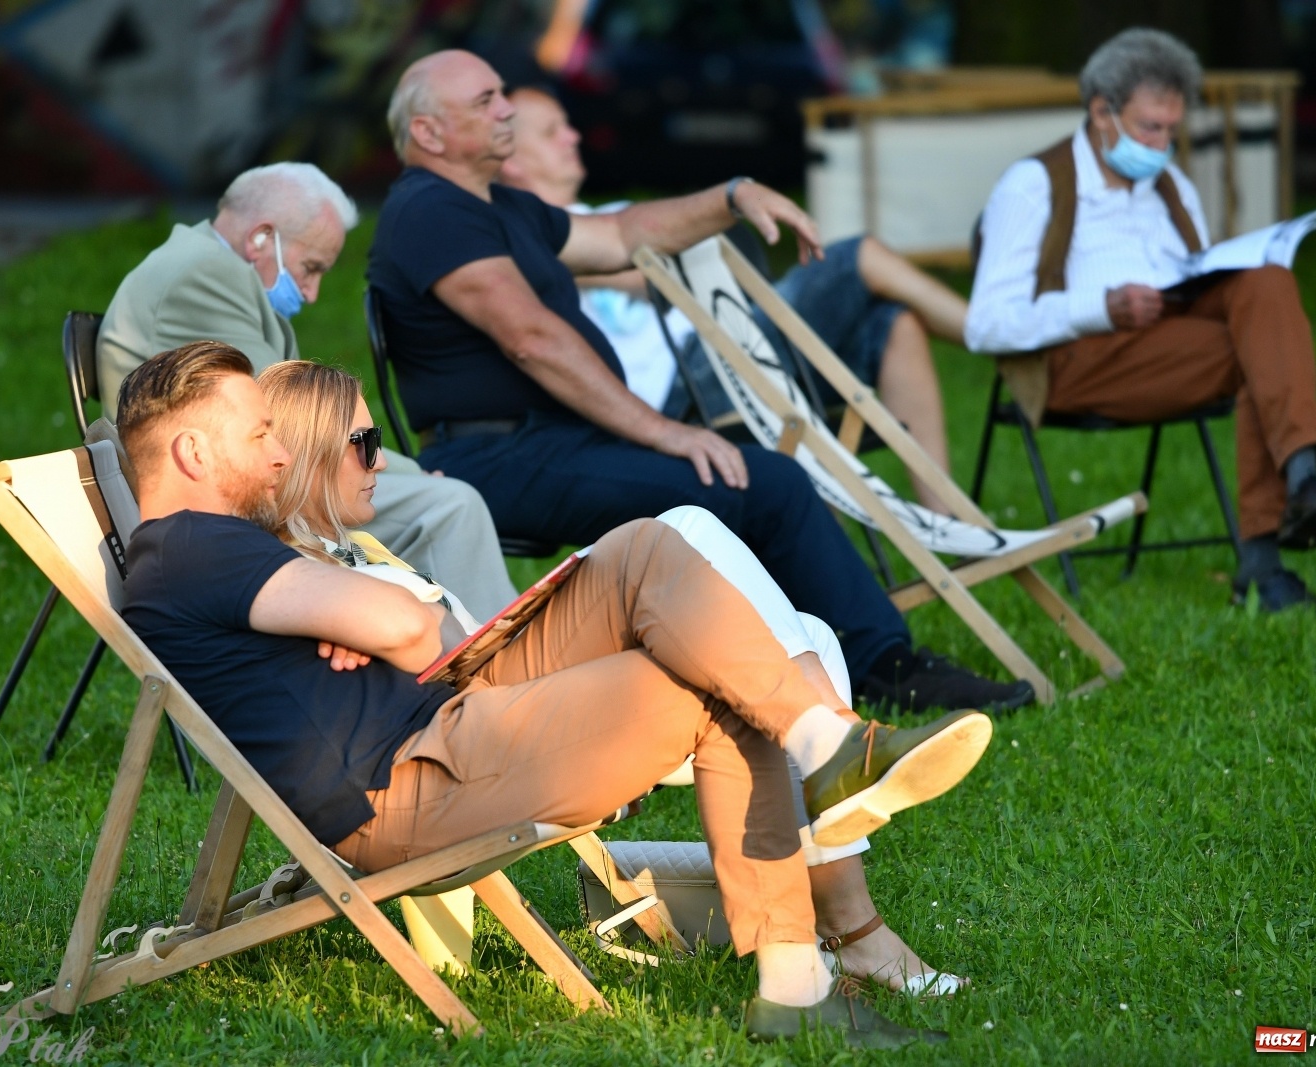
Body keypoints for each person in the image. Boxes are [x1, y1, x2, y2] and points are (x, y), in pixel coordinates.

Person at [115, 340, 996, 1045]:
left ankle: (823, 742)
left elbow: (397, 628)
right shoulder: (191, 546)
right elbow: (405, 628)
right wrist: (368, 616)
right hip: (409, 780)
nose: (278, 450)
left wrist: (357, 612)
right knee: (712, 681)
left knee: (645, 548)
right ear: (193, 450)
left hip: (448, 716)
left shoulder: (215, 546)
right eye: (258, 435)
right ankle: (797, 979)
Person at [366, 49, 1034, 713]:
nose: (506, 109)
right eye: (485, 101)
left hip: (554, 442)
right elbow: (531, 339)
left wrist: (731, 197)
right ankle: (878, 669)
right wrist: (666, 432)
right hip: (498, 457)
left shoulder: (500, 207)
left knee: (760, 482)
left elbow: (621, 233)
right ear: (429, 132)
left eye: (502, 94)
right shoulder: (430, 209)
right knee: (764, 485)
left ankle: (815, 667)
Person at [965, 28, 1316, 612]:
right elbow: (985, 324)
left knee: (1267, 281)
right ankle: (1267, 553)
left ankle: (1301, 480)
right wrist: (1102, 306)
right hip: (1080, 361)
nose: (1162, 144)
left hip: (1171, 342)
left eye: (1172, 130)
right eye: (1150, 127)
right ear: (1102, 112)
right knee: (1262, 354)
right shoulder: (1034, 184)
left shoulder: (1170, 185)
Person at [499, 84, 967, 512]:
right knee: (854, 258)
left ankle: (950, 522)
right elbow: (643, 272)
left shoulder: (618, 217)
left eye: (568, 125)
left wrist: (591, 266)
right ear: (511, 159)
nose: (573, 137)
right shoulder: (512, 241)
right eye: (552, 132)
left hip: (726, 359)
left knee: (892, 324)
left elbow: (658, 269)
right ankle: (990, 334)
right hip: (678, 396)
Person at [96, 161, 519, 616]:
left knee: (442, 500)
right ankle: (497, 644)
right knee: (449, 504)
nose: (312, 293)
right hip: (232, 493)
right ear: (261, 238)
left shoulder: (203, 264)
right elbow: (286, 419)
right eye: (310, 268)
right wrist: (414, 473)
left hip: (245, 476)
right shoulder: (204, 274)